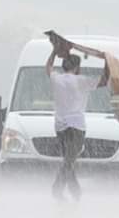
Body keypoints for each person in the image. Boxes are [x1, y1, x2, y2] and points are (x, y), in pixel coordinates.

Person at [45, 39, 109, 200]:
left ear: (64, 66)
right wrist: (108, 63)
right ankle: (57, 189)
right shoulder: (81, 81)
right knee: (69, 160)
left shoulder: (56, 79)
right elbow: (103, 81)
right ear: (77, 67)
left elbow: (48, 67)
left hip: (60, 126)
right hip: (77, 127)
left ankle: (75, 192)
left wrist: (54, 51)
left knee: (68, 159)